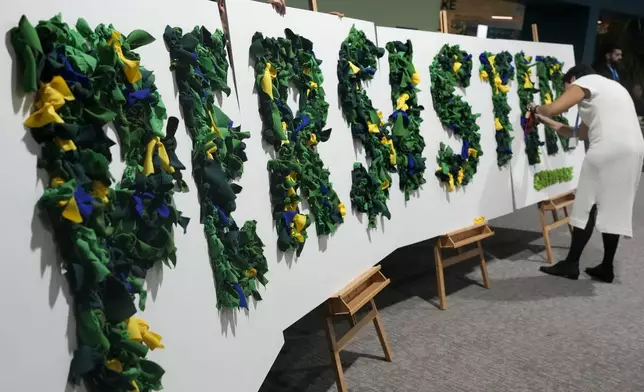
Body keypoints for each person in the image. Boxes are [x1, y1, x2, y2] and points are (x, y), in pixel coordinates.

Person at [527, 65, 644, 283]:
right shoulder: (613, 88)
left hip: (608, 149)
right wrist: (548, 123)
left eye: (566, 87)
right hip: (634, 150)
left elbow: (553, 108)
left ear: (572, 79)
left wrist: (536, 109)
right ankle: (607, 267)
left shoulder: (585, 82)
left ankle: (571, 263)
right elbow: (578, 133)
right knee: (613, 207)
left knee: (587, 205)